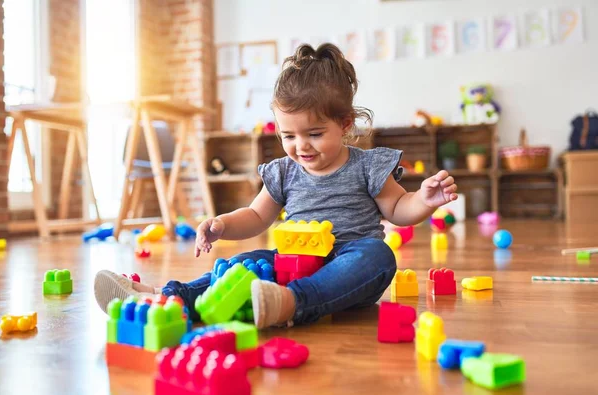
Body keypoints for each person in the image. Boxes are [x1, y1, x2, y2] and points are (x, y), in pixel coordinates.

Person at [94, 43, 458, 329]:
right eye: (288, 135)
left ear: (345, 124)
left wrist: (424, 200)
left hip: (348, 271)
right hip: (289, 266)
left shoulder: (366, 165)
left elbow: (398, 210)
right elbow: (256, 215)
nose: (301, 146)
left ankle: (290, 304)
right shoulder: (284, 171)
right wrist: (221, 224)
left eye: (314, 134)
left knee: (378, 257)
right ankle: (166, 297)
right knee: (243, 263)